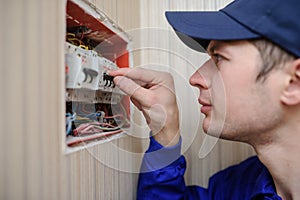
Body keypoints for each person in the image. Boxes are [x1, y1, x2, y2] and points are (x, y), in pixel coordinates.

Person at [109, 0, 300, 199]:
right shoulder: (239, 187)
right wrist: (165, 133)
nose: (195, 78)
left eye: (219, 57)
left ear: (293, 83)